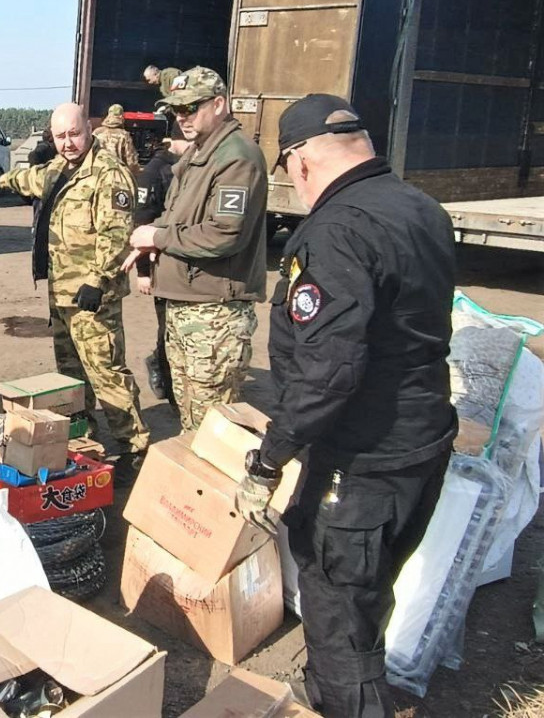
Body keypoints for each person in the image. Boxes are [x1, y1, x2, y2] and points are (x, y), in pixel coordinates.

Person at [234, 95, 457, 718]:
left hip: (363, 460)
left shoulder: (336, 231)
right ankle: (347, 686)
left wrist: (269, 458)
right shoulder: (422, 208)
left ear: (301, 161)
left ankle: (350, 700)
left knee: (336, 609)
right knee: (367, 590)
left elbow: (329, 372)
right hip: (423, 441)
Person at [0, 103, 149, 473]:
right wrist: (0, 178)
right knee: (70, 379)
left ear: (89, 130)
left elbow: (116, 236)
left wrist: (97, 281)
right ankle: (84, 440)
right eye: (60, 136)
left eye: (74, 134)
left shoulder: (108, 174)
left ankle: (135, 447)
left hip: (92, 299)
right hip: (62, 296)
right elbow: (30, 179)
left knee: (107, 373)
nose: (68, 143)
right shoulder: (59, 170)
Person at [123, 67, 267, 433]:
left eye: (190, 108)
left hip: (214, 313)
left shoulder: (236, 157)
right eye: (176, 109)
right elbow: (177, 217)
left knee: (213, 429)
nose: (181, 117)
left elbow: (224, 234)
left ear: (219, 104)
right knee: (190, 421)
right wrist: (152, 235)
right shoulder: (201, 154)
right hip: (188, 308)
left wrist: (158, 239)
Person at [133, 135, 191, 405]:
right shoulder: (155, 171)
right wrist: (143, 272)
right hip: (162, 266)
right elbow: (142, 221)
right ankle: (162, 371)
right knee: (167, 329)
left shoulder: (195, 166)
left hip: (188, 267)